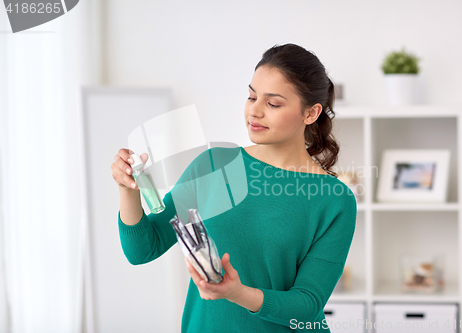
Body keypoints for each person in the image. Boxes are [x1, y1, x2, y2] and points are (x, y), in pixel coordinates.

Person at [111, 43, 357, 332]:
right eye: (251, 96)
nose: (254, 111)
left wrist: (236, 293)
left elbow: (306, 305)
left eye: (273, 103)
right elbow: (143, 249)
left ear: (311, 113)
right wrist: (127, 189)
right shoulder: (215, 165)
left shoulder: (334, 199)